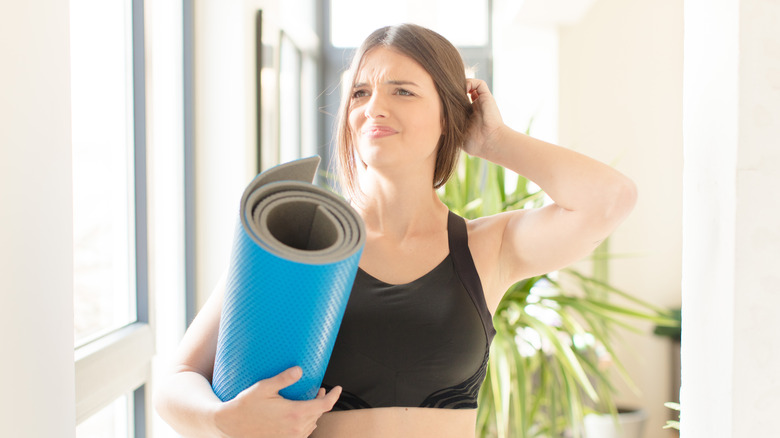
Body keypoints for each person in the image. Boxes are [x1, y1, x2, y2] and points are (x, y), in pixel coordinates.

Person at [154, 23, 637, 438]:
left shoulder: (489, 247)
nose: (374, 108)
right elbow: (175, 383)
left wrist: (494, 141)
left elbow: (609, 199)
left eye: (402, 91)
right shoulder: (305, 244)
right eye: (361, 93)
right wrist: (223, 419)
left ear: (451, 114)